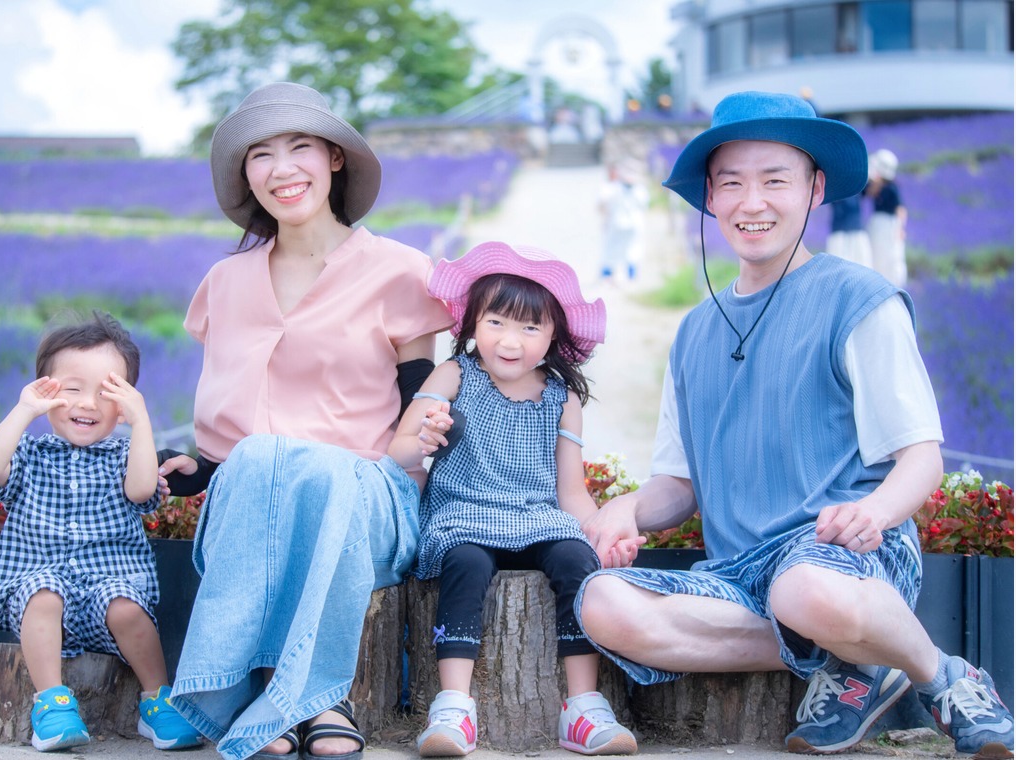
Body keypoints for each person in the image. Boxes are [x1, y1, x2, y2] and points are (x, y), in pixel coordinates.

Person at [574, 91, 1014, 759]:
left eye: (775, 180)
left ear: (814, 190)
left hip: (850, 555)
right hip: (742, 577)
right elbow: (678, 485)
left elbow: (922, 457)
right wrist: (628, 508)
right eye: (732, 183)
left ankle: (944, 677)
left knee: (806, 585)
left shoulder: (858, 300)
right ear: (711, 201)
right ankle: (856, 660)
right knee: (603, 602)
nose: (753, 202)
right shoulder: (694, 333)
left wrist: (874, 511)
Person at [154, 82, 454, 760]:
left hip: (364, 497)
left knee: (320, 469)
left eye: (299, 147)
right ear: (246, 176)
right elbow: (229, 431)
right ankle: (285, 697)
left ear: (335, 159)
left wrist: (443, 426)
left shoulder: (400, 272)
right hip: (252, 496)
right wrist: (193, 469)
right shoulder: (224, 284)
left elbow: (419, 405)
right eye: (260, 155)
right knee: (263, 458)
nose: (281, 169)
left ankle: (304, 695)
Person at [388, 242, 638, 757]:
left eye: (530, 328)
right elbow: (398, 449)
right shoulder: (455, 375)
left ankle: (583, 706)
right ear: (473, 324)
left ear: (554, 337)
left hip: (536, 518)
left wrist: (603, 535)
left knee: (576, 561)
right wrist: (425, 441)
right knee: (465, 565)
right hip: (464, 514)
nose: (510, 340)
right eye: (497, 322)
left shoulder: (560, 398)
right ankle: (454, 707)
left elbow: (570, 492)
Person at [0, 312, 201, 753]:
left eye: (107, 392)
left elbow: (141, 491)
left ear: (125, 403)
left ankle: (157, 701)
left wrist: (141, 423)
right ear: (47, 393)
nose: (87, 404)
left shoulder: (123, 454)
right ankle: (53, 703)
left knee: (127, 607)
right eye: (72, 389)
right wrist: (23, 411)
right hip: (38, 586)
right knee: (44, 593)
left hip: (108, 587)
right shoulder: (31, 452)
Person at [598, 160, 649, 283]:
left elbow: (602, 205)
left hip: (623, 222)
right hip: (625, 222)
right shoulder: (635, 189)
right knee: (623, 248)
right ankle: (617, 274)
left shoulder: (616, 188)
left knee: (621, 248)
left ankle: (618, 274)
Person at [866, 148, 908, 287]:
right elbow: (867, 193)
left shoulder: (891, 188)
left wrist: (900, 228)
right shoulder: (876, 186)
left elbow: (900, 209)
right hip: (877, 225)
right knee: (877, 255)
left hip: (888, 225)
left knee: (889, 256)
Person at [825, 192, 873, 269]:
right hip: (840, 230)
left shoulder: (857, 187)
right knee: (838, 265)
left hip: (855, 229)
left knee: (861, 264)